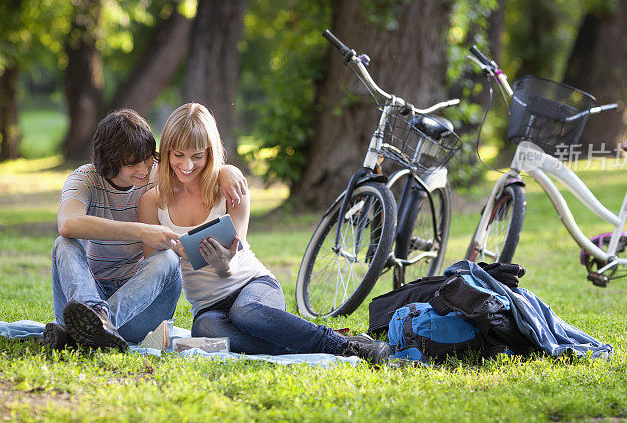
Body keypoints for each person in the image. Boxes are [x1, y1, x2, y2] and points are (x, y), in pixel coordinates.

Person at [137, 103, 390, 364]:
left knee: (246, 312)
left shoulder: (230, 190)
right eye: (178, 155)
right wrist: (173, 252)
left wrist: (223, 265)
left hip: (253, 287)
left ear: (210, 154)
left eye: (197, 156)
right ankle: (327, 342)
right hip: (209, 307)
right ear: (165, 151)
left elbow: (233, 261)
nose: (187, 165)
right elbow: (156, 270)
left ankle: (341, 346)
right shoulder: (152, 202)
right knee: (205, 331)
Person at [45, 108, 247, 352]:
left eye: (148, 157)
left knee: (167, 258)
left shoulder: (158, 173)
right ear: (109, 162)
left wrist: (228, 171)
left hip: (140, 305)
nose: (144, 168)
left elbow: (196, 165)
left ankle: (88, 328)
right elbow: (67, 223)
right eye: (132, 163)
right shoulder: (84, 180)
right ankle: (95, 320)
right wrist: (141, 231)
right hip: (85, 295)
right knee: (63, 243)